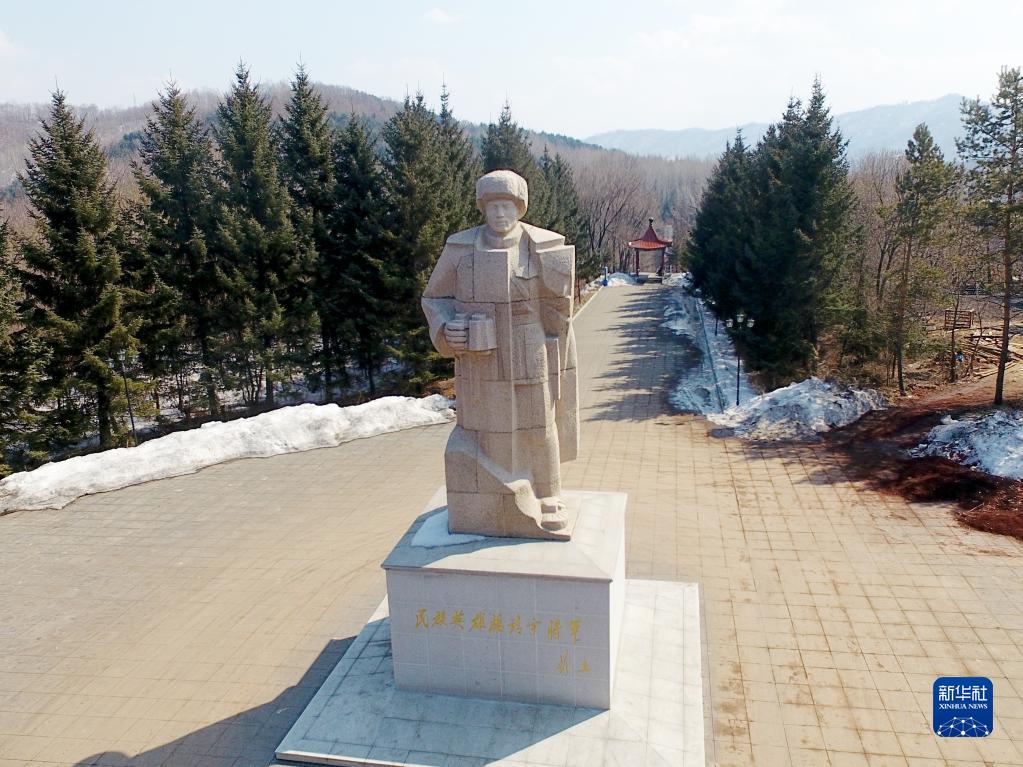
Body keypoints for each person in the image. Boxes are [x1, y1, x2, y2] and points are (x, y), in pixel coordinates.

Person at [422, 170, 579, 539]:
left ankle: (548, 493)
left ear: (520, 208)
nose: (500, 214)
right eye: (493, 206)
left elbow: (560, 307)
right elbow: (434, 298)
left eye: (507, 206)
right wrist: (447, 328)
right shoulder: (460, 248)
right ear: (483, 208)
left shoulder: (543, 245)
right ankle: (492, 493)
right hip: (479, 353)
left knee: (538, 422)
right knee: (483, 424)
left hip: (528, 345)